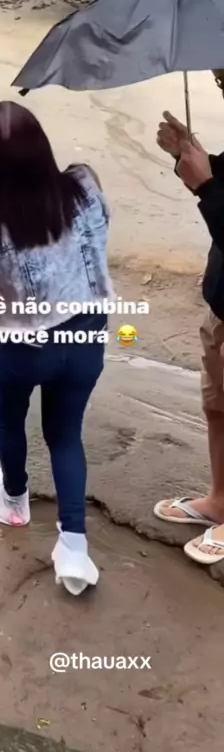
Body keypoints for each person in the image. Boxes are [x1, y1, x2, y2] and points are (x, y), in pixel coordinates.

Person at [0, 101, 114, 596]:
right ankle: (74, 549)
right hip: (84, 333)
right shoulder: (85, 185)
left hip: (22, 347)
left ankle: (15, 501)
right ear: (42, 147)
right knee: (65, 435)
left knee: (11, 419)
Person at [153, 76, 224, 565]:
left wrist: (206, 185)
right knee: (217, 406)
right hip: (222, 301)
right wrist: (193, 156)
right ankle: (220, 501)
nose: (220, 85)